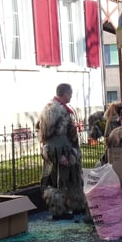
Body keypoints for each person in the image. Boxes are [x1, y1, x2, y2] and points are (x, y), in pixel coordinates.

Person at [37, 83, 87, 220]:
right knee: (61, 179)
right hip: (62, 150)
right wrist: (63, 154)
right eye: (70, 94)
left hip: (60, 149)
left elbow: (41, 131)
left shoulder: (50, 109)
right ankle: (59, 210)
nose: (71, 96)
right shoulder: (58, 111)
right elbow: (60, 134)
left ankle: (75, 205)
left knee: (71, 176)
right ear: (65, 94)